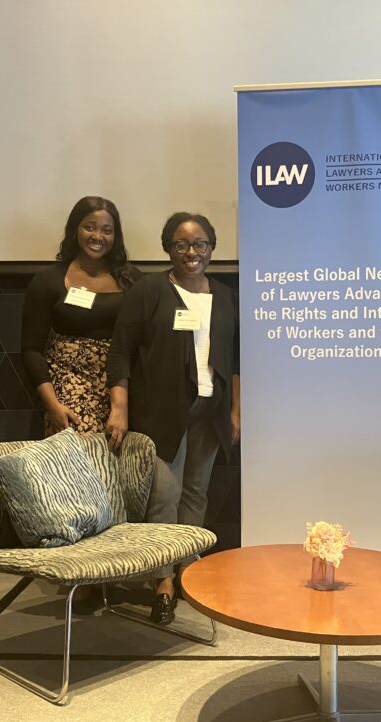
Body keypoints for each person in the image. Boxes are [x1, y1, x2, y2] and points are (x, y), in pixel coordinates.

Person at [107, 212, 241, 625]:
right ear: (168, 248)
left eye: (200, 244)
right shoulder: (150, 290)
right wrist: (119, 408)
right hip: (162, 410)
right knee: (164, 495)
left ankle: (188, 570)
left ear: (212, 249)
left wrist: (235, 409)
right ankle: (162, 581)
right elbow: (121, 351)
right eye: (182, 244)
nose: (192, 252)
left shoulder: (224, 294)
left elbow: (236, 357)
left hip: (210, 410)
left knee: (196, 493)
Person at [21, 196, 141, 437]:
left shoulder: (132, 279)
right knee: (76, 467)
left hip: (122, 388)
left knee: (117, 467)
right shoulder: (48, 280)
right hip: (67, 388)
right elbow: (31, 349)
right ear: (75, 230)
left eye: (107, 230)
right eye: (90, 227)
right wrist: (51, 404)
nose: (98, 236)